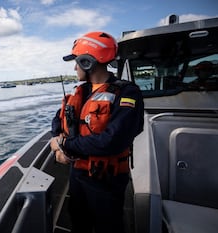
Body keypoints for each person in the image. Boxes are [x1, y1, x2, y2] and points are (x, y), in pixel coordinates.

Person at [50, 31, 144, 233]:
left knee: (108, 226)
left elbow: (113, 141)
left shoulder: (127, 93)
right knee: (78, 220)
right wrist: (56, 139)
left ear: (87, 62)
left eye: (77, 62)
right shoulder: (81, 92)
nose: (75, 68)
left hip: (105, 180)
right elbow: (58, 120)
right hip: (78, 174)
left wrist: (65, 146)